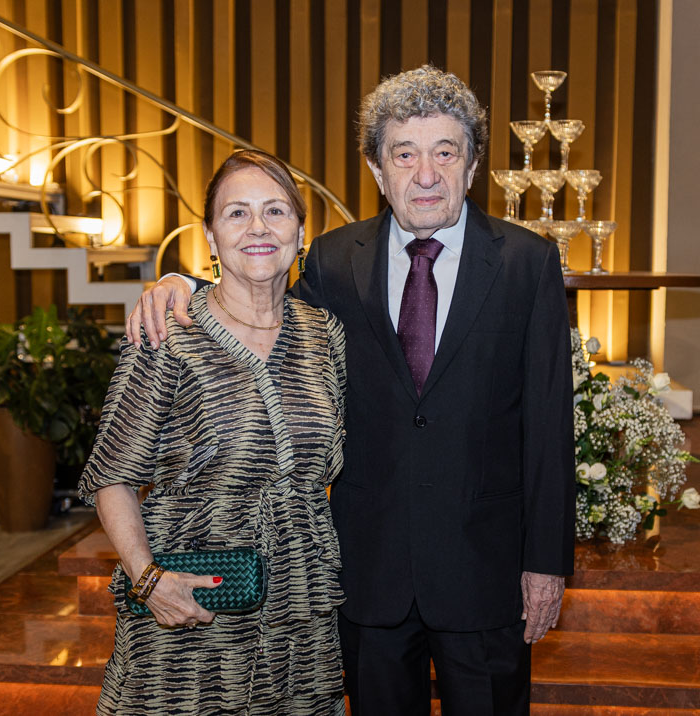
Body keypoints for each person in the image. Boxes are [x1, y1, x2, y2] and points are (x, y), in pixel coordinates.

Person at [129, 65, 575, 716]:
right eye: (405, 154)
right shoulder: (337, 260)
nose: (426, 174)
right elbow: (261, 306)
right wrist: (186, 284)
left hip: (485, 572)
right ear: (377, 170)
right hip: (369, 574)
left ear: (473, 165)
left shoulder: (526, 263)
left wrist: (546, 563)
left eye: (445, 152)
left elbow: (549, 427)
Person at [79, 149, 348, 715]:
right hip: (192, 600)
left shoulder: (324, 333)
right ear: (210, 235)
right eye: (237, 213)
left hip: (300, 606)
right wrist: (147, 579)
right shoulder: (168, 330)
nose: (258, 228)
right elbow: (111, 476)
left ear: (301, 233)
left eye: (275, 211)